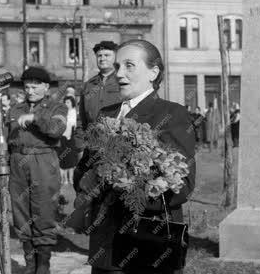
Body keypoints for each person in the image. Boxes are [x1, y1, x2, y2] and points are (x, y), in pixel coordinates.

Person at [78, 40, 196, 274]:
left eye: (129, 66)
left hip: (146, 242)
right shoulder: (105, 114)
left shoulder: (171, 113)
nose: (119, 73)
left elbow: (183, 186)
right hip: (104, 244)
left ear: (154, 72)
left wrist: (131, 187)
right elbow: (85, 167)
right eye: (118, 66)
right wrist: (87, 180)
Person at [7, 66, 67, 274]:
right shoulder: (15, 109)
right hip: (17, 160)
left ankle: (43, 265)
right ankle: (30, 264)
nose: (30, 90)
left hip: (42, 159)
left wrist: (35, 118)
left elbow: (56, 130)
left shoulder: (57, 107)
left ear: (46, 87)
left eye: (35, 86)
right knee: (21, 213)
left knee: (44, 210)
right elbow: (6, 140)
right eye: (27, 86)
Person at [75, 41, 122, 188]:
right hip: (92, 148)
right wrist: (79, 144)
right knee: (87, 189)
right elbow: (81, 117)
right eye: (99, 55)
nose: (102, 58)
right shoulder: (89, 85)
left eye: (107, 55)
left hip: (117, 145)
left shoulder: (123, 81)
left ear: (116, 57)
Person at [57, 96, 80, 185]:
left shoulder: (75, 112)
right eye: (65, 102)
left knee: (70, 160)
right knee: (62, 159)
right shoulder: (62, 112)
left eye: (68, 102)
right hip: (62, 137)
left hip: (71, 138)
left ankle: (71, 179)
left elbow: (74, 124)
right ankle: (63, 179)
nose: (66, 104)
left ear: (72, 103)